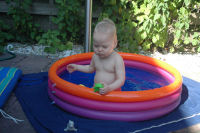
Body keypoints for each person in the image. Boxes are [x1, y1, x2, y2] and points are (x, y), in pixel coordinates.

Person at [67, 18, 125, 95]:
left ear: (114, 43)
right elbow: (90, 69)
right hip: (96, 89)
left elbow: (121, 80)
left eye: (104, 47)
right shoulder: (95, 56)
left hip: (112, 92)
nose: (99, 49)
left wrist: (109, 88)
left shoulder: (117, 59)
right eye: (96, 46)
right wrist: (77, 67)